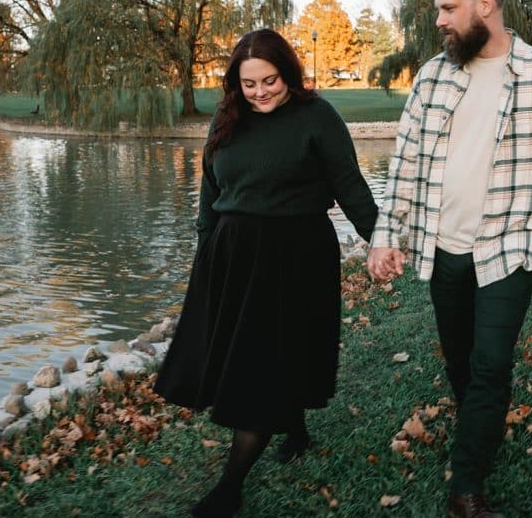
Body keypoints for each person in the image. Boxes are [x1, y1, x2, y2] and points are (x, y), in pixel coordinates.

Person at [367, 0, 532, 518]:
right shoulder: (433, 76)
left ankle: (466, 488)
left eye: (448, 7)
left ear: (484, 4)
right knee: (462, 362)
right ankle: (479, 425)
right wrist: (383, 237)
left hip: (509, 248)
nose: (439, 20)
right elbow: (407, 164)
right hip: (444, 250)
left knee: (492, 363)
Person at [155, 28, 378, 517]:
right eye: (249, 83)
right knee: (261, 355)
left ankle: (229, 487)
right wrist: (204, 245)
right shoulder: (228, 115)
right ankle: (293, 427)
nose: (260, 92)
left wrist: (380, 241)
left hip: (295, 256)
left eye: (270, 81)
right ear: (236, 83)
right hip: (233, 253)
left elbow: (350, 186)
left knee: (262, 363)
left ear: (289, 74)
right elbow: (211, 186)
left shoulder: (317, 117)